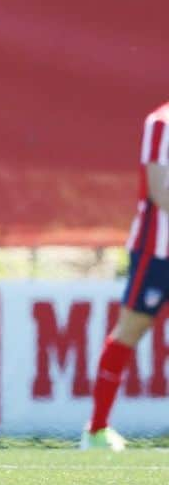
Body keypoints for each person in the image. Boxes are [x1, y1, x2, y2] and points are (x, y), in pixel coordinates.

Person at [81, 100, 169, 451]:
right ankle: (97, 430)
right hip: (156, 252)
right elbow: (158, 188)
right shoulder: (161, 122)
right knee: (130, 331)